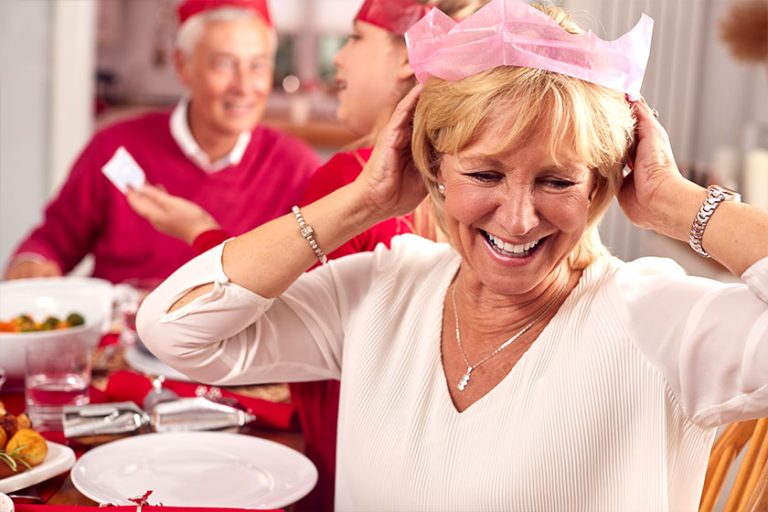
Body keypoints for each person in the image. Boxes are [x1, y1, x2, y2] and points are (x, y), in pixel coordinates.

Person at [137, 0, 768, 509]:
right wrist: (361, 201)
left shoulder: (654, 316)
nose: (519, 220)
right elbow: (176, 330)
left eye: (558, 181)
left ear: (602, 185)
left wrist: (681, 205)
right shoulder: (383, 289)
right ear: (434, 170)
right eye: (485, 176)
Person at [126, 2, 487, 509]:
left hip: (341, 469)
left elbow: (260, 320)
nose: (337, 60)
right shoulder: (465, 181)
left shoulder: (351, 181)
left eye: (356, 38)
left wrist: (198, 231)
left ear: (407, 57)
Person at [3, 0, 319, 283]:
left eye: (258, 65)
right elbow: (53, 241)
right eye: (224, 64)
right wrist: (32, 263)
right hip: (121, 342)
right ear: (183, 67)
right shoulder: (116, 147)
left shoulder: (297, 166)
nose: (244, 86)